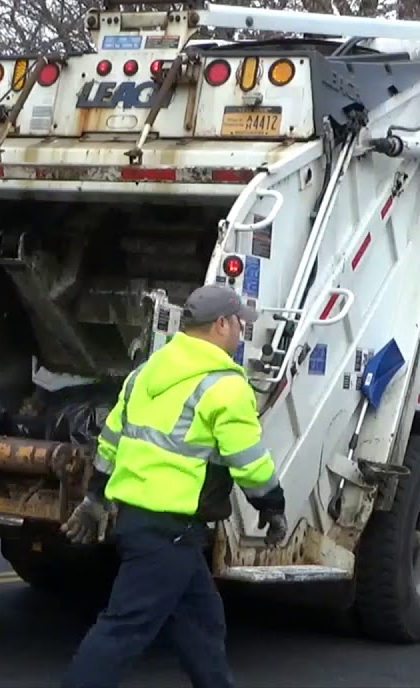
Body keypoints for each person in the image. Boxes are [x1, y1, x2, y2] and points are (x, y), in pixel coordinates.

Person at [59, 283, 288, 688]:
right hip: (170, 529)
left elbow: (111, 440)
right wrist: (272, 505)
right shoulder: (225, 385)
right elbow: (248, 459)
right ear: (221, 324)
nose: (242, 332)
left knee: (201, 623)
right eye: (240, 324)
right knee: (123, 629)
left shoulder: (145, 373)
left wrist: (96, 496)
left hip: (142, 522)